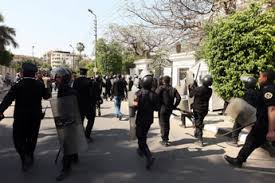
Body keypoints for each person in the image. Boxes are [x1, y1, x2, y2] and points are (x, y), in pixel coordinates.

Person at [0, 63, 51, 172]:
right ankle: (30, 154)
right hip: (35, 117)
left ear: (23, 73)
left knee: (18, 138)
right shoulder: (39, 84)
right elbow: (47, 96)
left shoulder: (18, 85)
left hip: (20, 117)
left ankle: (24, 155)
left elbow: (8, 99)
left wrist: (0, 110)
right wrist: (47, 85)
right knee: (32, 137)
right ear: (34, 73)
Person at [224, 71, 275, 168]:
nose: (259, 79)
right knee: (251, 140)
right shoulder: (267, 89)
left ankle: (239, 160)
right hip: (263, 122)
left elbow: (272, 109)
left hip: (266, 124)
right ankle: (239, 160)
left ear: (265, 78)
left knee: (251, 140)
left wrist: (271, 130)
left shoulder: (269, 90)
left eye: (260, 77)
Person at [134, 74, 159, 169]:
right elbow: (157, 108)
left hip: (140, 118)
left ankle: (149, 156)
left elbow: (135, 106)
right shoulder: (154, 95)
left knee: (140, 137)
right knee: (142, 135)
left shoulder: (138, 94)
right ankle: (140, 150)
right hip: (149, 119)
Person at [228, 76, 259, 147]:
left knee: (236, 126)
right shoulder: (256, 92)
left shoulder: (248, 92)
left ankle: (234, 141)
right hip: (253, 113)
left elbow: (245, 104)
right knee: (254, 129)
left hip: (245, 112)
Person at [73, 68, 99, 142]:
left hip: (78, 104)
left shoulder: (75, 81)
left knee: (80, 120)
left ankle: (80, 136)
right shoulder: (89, 81)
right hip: (88, 105)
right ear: (86, 73)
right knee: (91, 119)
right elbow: (93, 93)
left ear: (80, 73)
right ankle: (87, 135)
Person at [156, 76, 181, 146]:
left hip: (162, 108)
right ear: (169, 81)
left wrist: (156, 105)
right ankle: (166, 138)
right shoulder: (173, 89)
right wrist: (174, 106)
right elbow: (179, 98)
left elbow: (155, 96)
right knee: (166, 123)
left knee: (162, 124)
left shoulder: (160, 88)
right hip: (169, 109)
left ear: (163, 81)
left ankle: (164, 140)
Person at [189, 75, 212, 147]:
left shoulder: (198, 89)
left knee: (198, 124)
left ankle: (200, 140)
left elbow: (190, 95)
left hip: (197, 109)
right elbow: (199, 90)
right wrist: (194, 88)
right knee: (199, 121)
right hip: (205, 109)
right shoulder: (210, 90)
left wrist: (191, 88)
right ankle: (197, 133)